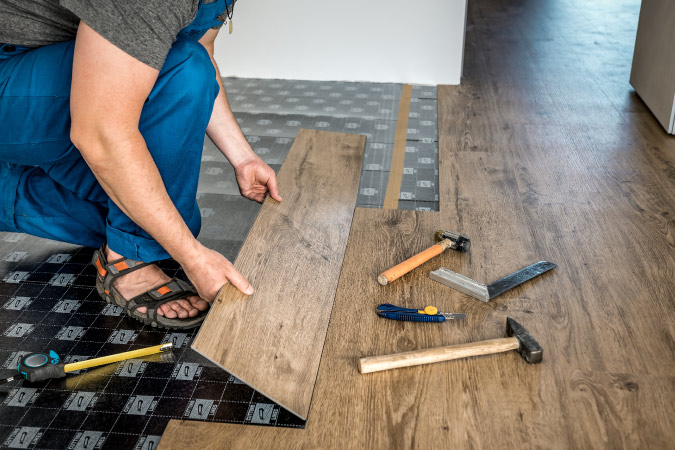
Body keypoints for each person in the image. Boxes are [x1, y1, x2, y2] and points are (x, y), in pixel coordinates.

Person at [0, 1, 282, 329]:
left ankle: (11, 195)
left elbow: (202, 49)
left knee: (162, 220)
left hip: (50, 68)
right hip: (12, 71)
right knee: (180, 69)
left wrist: (243, 157)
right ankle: (127, 260)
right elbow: (101, 134)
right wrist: (192, 258)